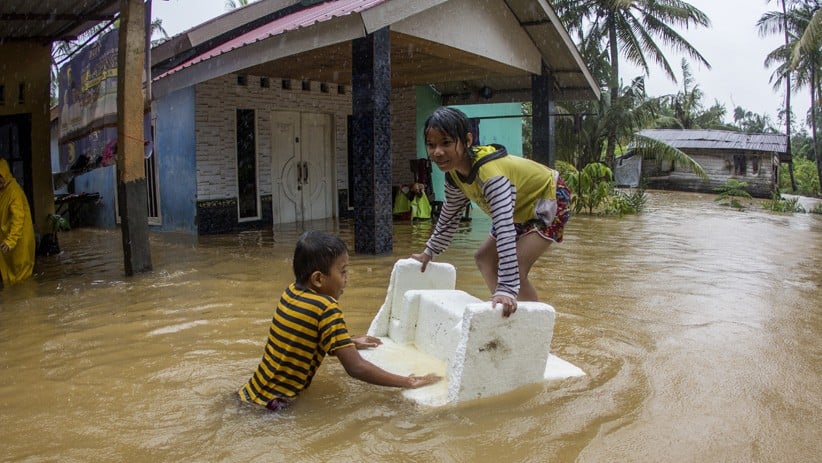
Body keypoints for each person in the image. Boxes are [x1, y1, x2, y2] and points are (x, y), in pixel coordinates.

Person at [238, 230, 440, 411]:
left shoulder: (290, 293)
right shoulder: (326, 308)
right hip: (274, 405)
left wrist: (348, 342)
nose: (346, 279)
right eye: (342, 272)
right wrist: (408, 381)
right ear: (318, 279)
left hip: (250, 393)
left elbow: (302, 337)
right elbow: (356, 368)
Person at [411, 107, 571, 318]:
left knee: (517, 268)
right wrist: (429, 252)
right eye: (431, 145)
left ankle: (532, 325)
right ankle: (505, 312)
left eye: (446, 143)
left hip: (548, 198)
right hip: (516, 207)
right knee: (484, 258)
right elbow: (449, 217)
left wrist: (507, 286)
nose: (437, 152)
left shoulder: (490, 175)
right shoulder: (454, 176)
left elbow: (504, 227)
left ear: (467, 140)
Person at [0, 158, 35, 286]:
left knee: (22, 278)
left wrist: (11, 240)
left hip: (19, 241)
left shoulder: (13, 191)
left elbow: (18, 218)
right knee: (11, 279)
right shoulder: (3, 191)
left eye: (0, 176)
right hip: (7, 241)